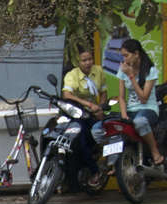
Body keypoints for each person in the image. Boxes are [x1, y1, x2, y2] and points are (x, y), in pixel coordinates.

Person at [92, 38, 164, 167]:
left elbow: (143, 98)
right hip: (130, 110)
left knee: (139, 122)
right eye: (123, 56)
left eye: (127, 55)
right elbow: (121, 97)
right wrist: (124, 115)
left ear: (136, 54)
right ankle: (113, 158)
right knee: (97, 129)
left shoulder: (150, 70)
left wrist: (131, 76)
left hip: (148, 109)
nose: (124, 60)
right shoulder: (123, 70)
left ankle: (155, 151)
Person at [61, 48, 107, 187]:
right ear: (78, 62)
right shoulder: (72, 75)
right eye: (84, 60)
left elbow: (103, 92)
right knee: (80, 138)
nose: (88, 63)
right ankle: (93, 170)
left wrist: (100, 107)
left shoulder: (98, 71)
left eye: (90, 59)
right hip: (77, 113)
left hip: (93, 114)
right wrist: (87, 104)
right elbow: (67, 95)